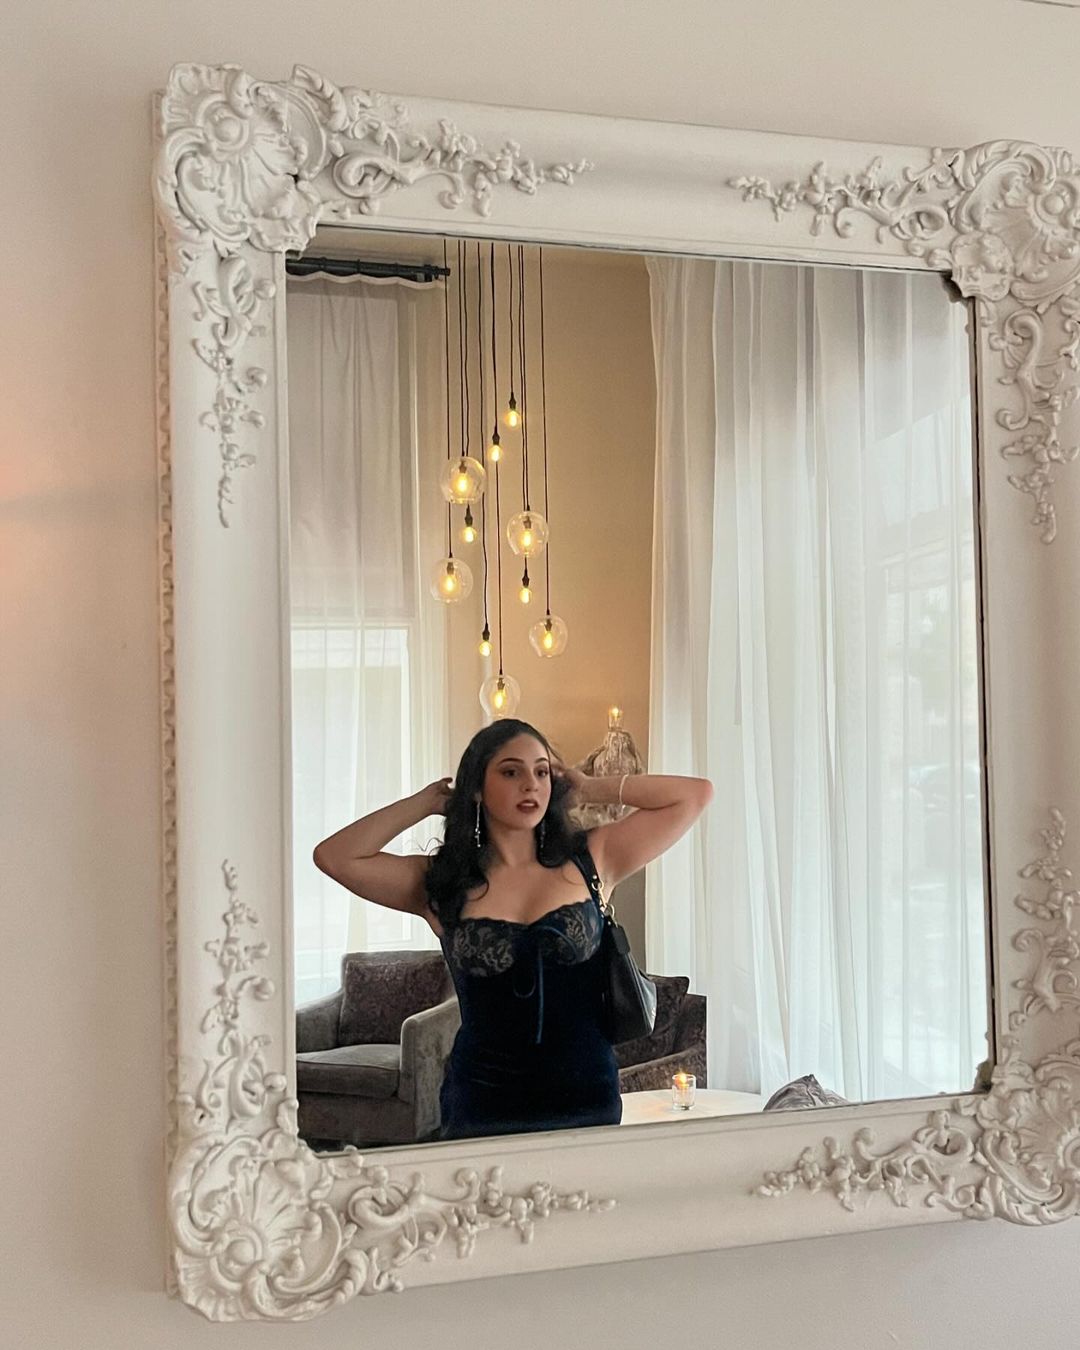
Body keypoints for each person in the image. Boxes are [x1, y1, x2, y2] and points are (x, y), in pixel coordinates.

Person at [312, 718, 712, 1141]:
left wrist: (590, 787)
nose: (530, 785)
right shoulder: (441, 882)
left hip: (586, 1098)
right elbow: (335, 857)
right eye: (510, 772)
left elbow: (694, 795)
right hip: (483, 1103)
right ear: (477, 788)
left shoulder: (593, 857)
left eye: (541, 772)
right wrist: (424, 802)